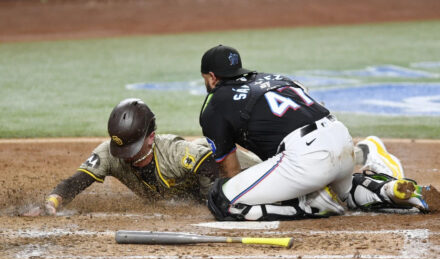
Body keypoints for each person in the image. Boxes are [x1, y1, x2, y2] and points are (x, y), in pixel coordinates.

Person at [199, 45, 435, 221]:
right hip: (341, 139)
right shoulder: (274, 78)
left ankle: (310, 204)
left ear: (211, 77)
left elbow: (231, 171)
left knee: (223, 199)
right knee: (346, 193)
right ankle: (385, 190)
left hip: (307, 157)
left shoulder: (214, 104)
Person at [25, 98, 261, 216]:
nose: (127, 157)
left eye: (133, 148)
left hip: (233, 165)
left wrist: (208, 201)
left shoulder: (171, 151)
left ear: (151, 137)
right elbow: (77, 181)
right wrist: (52, 202)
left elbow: (206, 161)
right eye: (123, 150)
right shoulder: (109, 153)